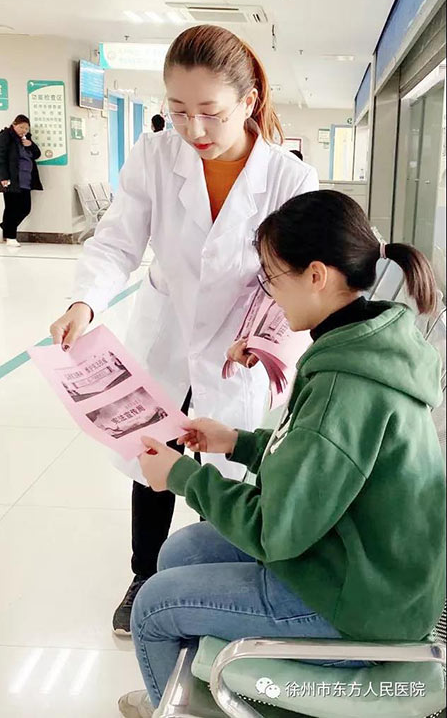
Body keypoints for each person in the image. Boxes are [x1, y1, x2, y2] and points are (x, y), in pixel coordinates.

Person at [119, 190, 445, 717]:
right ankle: (186, 696)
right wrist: (236, 442)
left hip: (359, 605)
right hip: (366, 566)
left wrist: (182, 476)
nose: (269, 295)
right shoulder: (365, 342)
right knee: (183, 552)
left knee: (154, 607)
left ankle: (176, 702)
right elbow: (320, 466)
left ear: (316, 276)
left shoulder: (343, 384)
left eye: (272, 278)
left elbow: (275, 529)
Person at [49, 25, 319, 637]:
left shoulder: (287, 179)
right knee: (152, 451)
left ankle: (214, 577)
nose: (193, 129)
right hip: (167, 326)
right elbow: (118, 240)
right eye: (177, 111)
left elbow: (298, 275)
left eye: (210, 112)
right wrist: (85, 303)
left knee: (224, 461)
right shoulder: (155, 155)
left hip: (240, 341)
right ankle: (144, 575)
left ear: (248, 102)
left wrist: (268, 338)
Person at [0, 114, 43, 246]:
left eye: (26, 128)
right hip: (12, 179)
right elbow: (0, 158)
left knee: (25, 208)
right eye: (21, 127)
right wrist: (4, 177)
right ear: (14, 124)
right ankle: (11, 237)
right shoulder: (5, 136)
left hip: (26, 180)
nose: (24, 130)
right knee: (11, 208)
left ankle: (2, 227)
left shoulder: (26, 139)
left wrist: (30, 145)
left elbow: (37, 154)